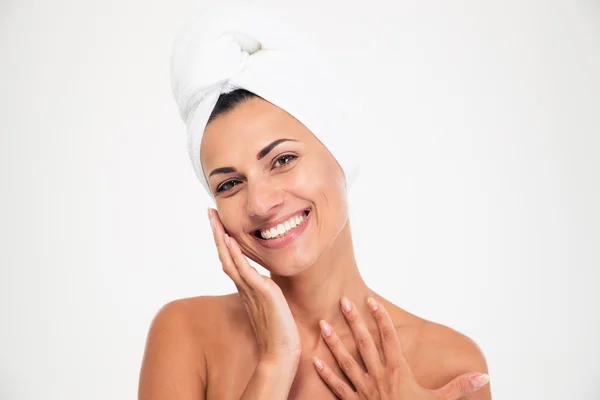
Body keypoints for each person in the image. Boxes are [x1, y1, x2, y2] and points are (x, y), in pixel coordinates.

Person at [139, 7, 491, 400]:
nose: (259, 203)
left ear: (339, 153)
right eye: (230, 184)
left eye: (283, 160)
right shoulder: (186, 334)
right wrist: (275, 361)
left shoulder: (447, 364)